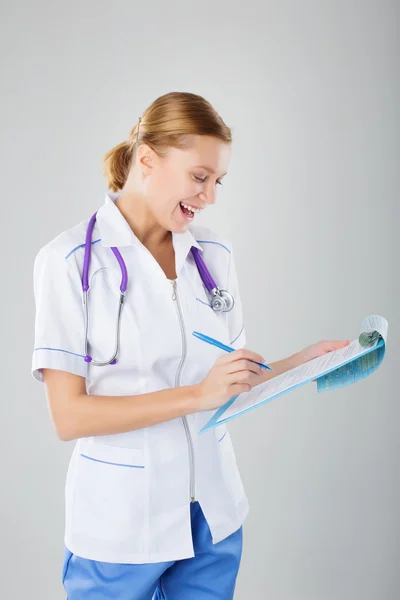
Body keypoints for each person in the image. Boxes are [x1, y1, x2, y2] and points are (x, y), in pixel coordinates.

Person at [31, 91, 350, 600]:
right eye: (200, 177)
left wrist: (302, 363)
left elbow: (228, 386)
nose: (211, 197)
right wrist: (197, 396)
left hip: (213, 518)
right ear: (147, 160)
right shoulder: (70, 261)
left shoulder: (214, 255)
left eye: (218, 181)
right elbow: (70, 418)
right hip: (120, 526)